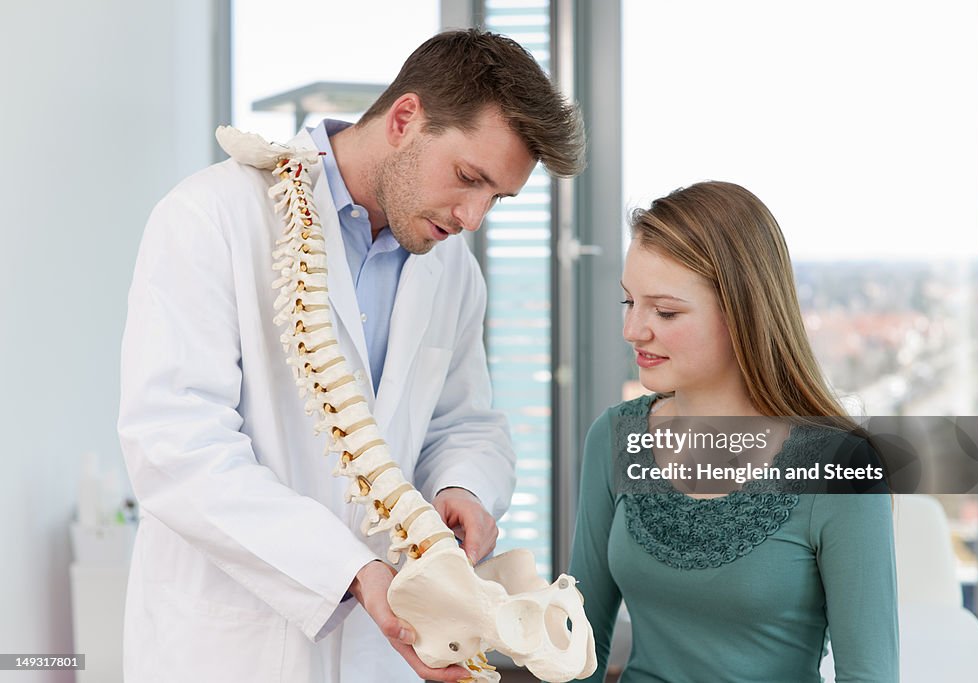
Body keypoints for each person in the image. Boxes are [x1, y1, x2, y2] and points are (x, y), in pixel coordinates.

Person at [118, 29, 584, 683]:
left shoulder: (450, 269)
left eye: (496, 198)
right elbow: (175, 447)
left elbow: (464, 422)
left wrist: (461, 488)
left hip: (379, 657)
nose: (474, 216)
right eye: (468, 178)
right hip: (229, 649)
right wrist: (348, 569)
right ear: (404, 119)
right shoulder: (211, 217)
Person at [569, 181, 898, 682]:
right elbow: (577, 649)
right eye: (628, 303)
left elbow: (869, 675)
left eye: (665, 311)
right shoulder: (614, 437)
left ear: (742, 312)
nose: (633, 330)